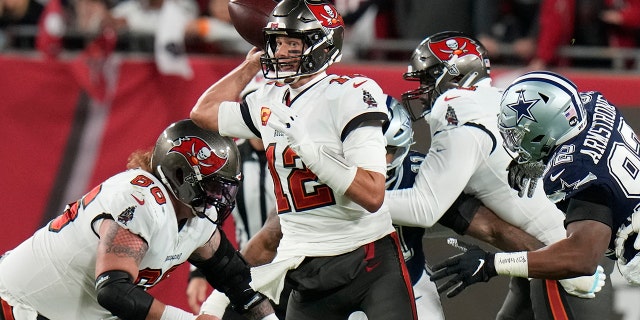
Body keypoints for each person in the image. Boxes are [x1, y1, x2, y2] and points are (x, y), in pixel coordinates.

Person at [190, 0, 417, 319]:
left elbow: (372, 195)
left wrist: (310, 149)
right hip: (305, 263)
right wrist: (250, 66)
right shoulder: (267, 100)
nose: (280, 52)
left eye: (291, 43)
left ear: (322, 46)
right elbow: (203, 114)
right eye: (277, 42)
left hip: (368, 257)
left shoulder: (351, 94)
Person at [383, 31, 610, 319]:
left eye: (428, 79)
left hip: (563, 263)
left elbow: (424, 207)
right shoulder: (497, 97)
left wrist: (350, 194)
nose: (422, 90)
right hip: (545, 252)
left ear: (453, 76)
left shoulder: (455, 106)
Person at [0, 119, 277, 320]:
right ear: (180, 176)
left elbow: (238, 283)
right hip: (19, 303)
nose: (220, 198)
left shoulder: (196, 218)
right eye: (214, 186)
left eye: (224, 188)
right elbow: (114, 291)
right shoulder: (140, 199)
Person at [431, 70, 640, 306]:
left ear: (544, 127)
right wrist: (540, 159)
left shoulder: (576, 171)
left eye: (519, 133)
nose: (515, 141)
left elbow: (582, 258)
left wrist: (492, 264)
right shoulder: (593, 104)